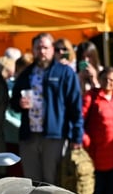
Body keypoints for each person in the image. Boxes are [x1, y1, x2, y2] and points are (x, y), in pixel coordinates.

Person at [10, 33, 84, 185]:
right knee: (32, 182)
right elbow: (13, 103)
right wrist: (20, 103)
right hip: (29, 136)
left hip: (54, 136)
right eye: (38, 47)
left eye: (45, 47)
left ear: (52, 50)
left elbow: (75, 106)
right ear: (33, 50)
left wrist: (77, 136)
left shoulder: (65, 73)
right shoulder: (26, 74)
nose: (42, 51)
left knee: (53, 181)